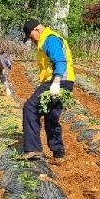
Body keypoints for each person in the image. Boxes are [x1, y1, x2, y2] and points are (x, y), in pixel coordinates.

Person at [21, 19, 75, 163]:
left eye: (31, 36)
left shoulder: (49, 39)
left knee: (30, 108)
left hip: (58, 81)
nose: (31, 40)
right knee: (51, 116)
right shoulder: (48, 39)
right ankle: (58, 153)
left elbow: (60, 60)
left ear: (36, 30)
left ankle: (33, 149)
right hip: (66, 82)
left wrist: (56, 82)